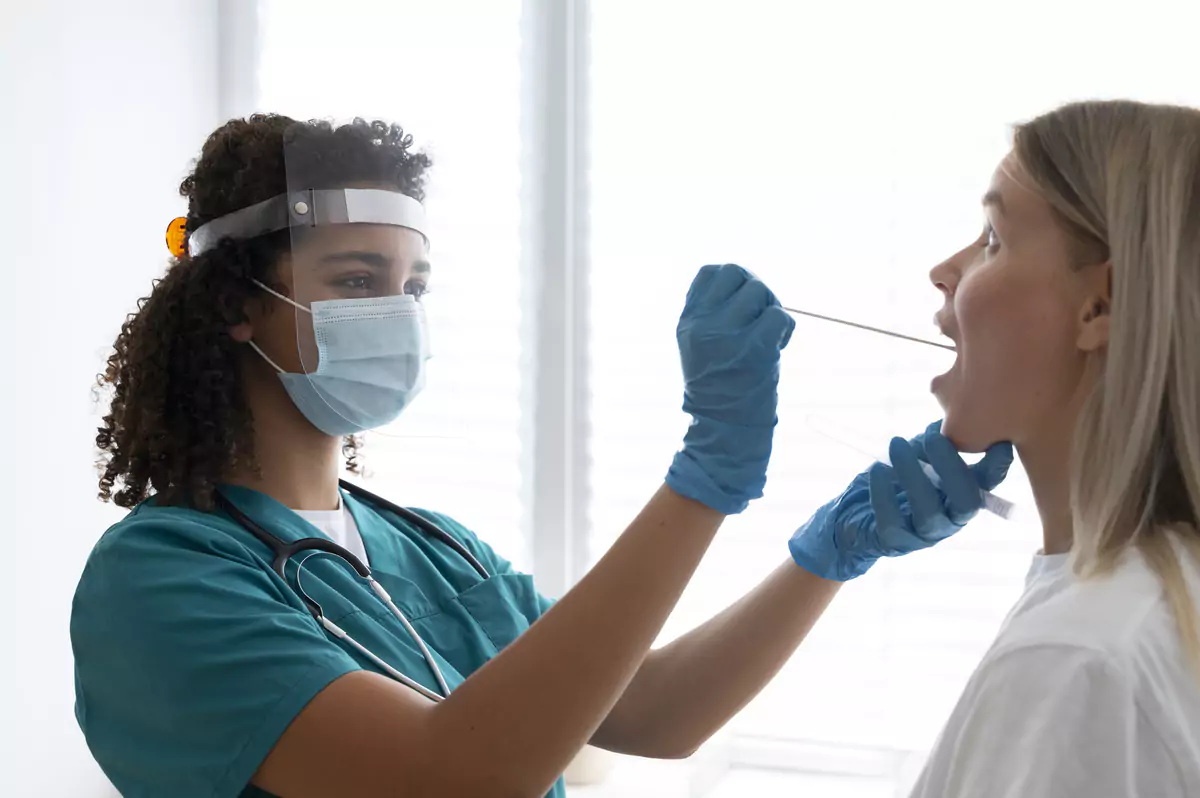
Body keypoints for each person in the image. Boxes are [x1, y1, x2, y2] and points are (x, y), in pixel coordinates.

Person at [71, 115, 1006, 798]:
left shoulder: (433, 549)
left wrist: (826, 557)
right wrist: (706, 476)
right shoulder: (160, 580)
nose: (398, 314)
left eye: (414, 286)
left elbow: (651, 713)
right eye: (358, 281)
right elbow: (457, 775)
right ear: (238, 303)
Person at [908, 100, 1200, 797]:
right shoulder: (1152, 607)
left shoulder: (1077, 660)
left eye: (991, 238)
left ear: (1099, 308)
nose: (942, 271)